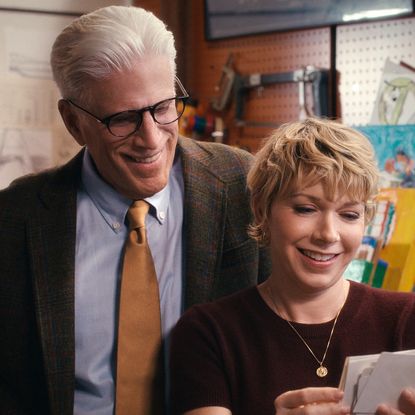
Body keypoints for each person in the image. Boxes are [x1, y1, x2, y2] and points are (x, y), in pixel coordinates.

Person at [0, 5, 270, 415]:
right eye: (123, 119)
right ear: (73, 122)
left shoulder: (243, 182)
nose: (151, 139)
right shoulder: (17, 217)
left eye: (163, 107)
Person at [170, 117, 415, 415]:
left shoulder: (406, 319)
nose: (328, 234)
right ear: (262, 209)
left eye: (349, 214)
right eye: (305, 209)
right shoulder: (208, 333)